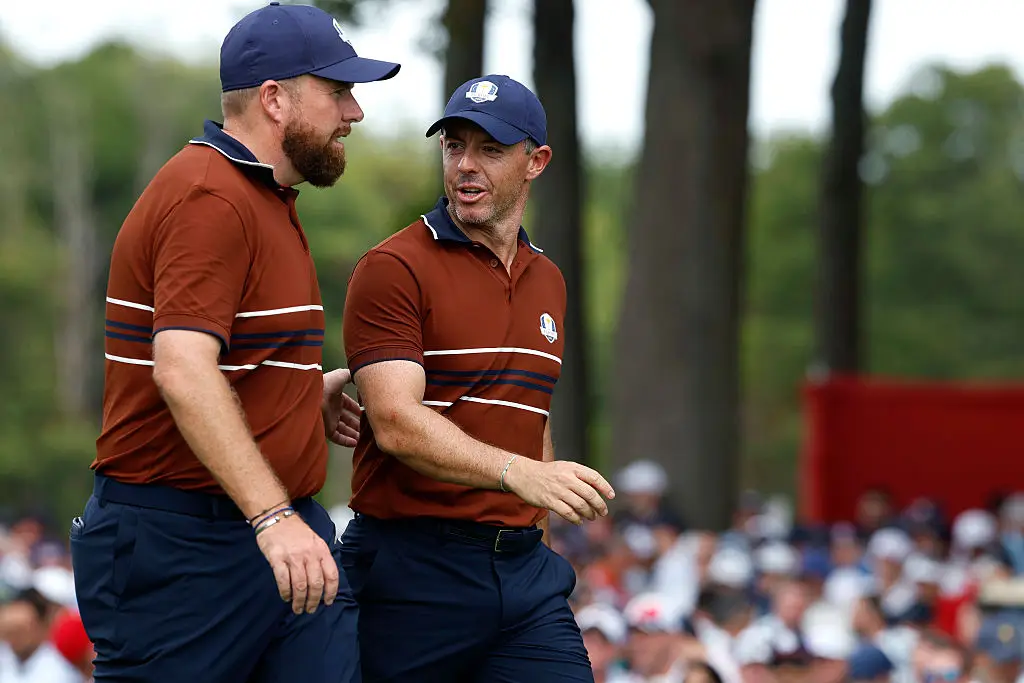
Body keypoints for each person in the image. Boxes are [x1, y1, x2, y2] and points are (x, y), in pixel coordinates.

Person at [68, 3, 399, 681]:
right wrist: (272, 516)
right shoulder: (209, 198)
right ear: (275, 99)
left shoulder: (264, 194)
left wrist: (298, 391)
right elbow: (184, 372)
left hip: (275, 533)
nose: (354, 113)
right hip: (186, 544)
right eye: (338, 92)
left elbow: (225, 363)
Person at [340, 74, 616, 681]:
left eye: (490, 150)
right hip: (411, 571)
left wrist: (538, 537)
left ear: (535, 161)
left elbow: (529, 416)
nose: (466, 165)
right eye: (454, 146)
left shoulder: (549, 281)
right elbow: (394, 423)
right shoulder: (393, 267)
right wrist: (524, 476)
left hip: (523, 578)